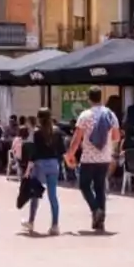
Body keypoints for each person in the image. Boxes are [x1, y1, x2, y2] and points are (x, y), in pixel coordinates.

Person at [65, 86, 120, 233]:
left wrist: (70, 154)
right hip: (105, 156)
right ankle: (99, 222)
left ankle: (96, 210)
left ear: (89, 98)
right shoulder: (110, 115)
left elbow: (77, 139)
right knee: (100, 188)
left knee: (84, 185)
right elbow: (116, 137)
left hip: (88, 157)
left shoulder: (85, 115)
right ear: (101, 97)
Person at [22, 108, 63, 236]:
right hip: (53, 164)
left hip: (40, 165)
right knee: (53, 196)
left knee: (36, 194)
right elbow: (62, 150)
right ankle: (55, 225)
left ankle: (31, 221)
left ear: (39, 118)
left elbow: (34, 152)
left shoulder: (37, 133)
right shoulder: (57, 131)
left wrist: (28, 168)